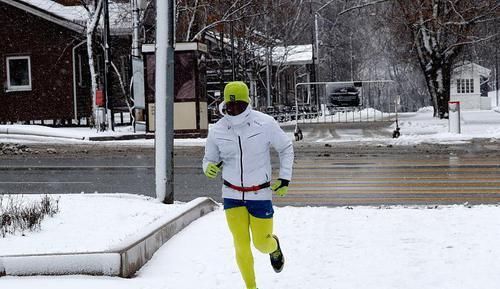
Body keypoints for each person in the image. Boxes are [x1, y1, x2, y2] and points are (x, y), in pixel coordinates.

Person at [203, 81, 294, 289]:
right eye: (230, 106)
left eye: (239, 106)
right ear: (224, 105)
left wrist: (285, 177)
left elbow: (286, 147)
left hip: (260, 193)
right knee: (241, 245)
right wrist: (208, 167)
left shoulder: (265, 123)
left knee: (261, 244)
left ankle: (274, 247)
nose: (234, 111)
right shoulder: (217, 130)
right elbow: (208, 158)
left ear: (248, 103)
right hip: (231, 194)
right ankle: (251, 287)